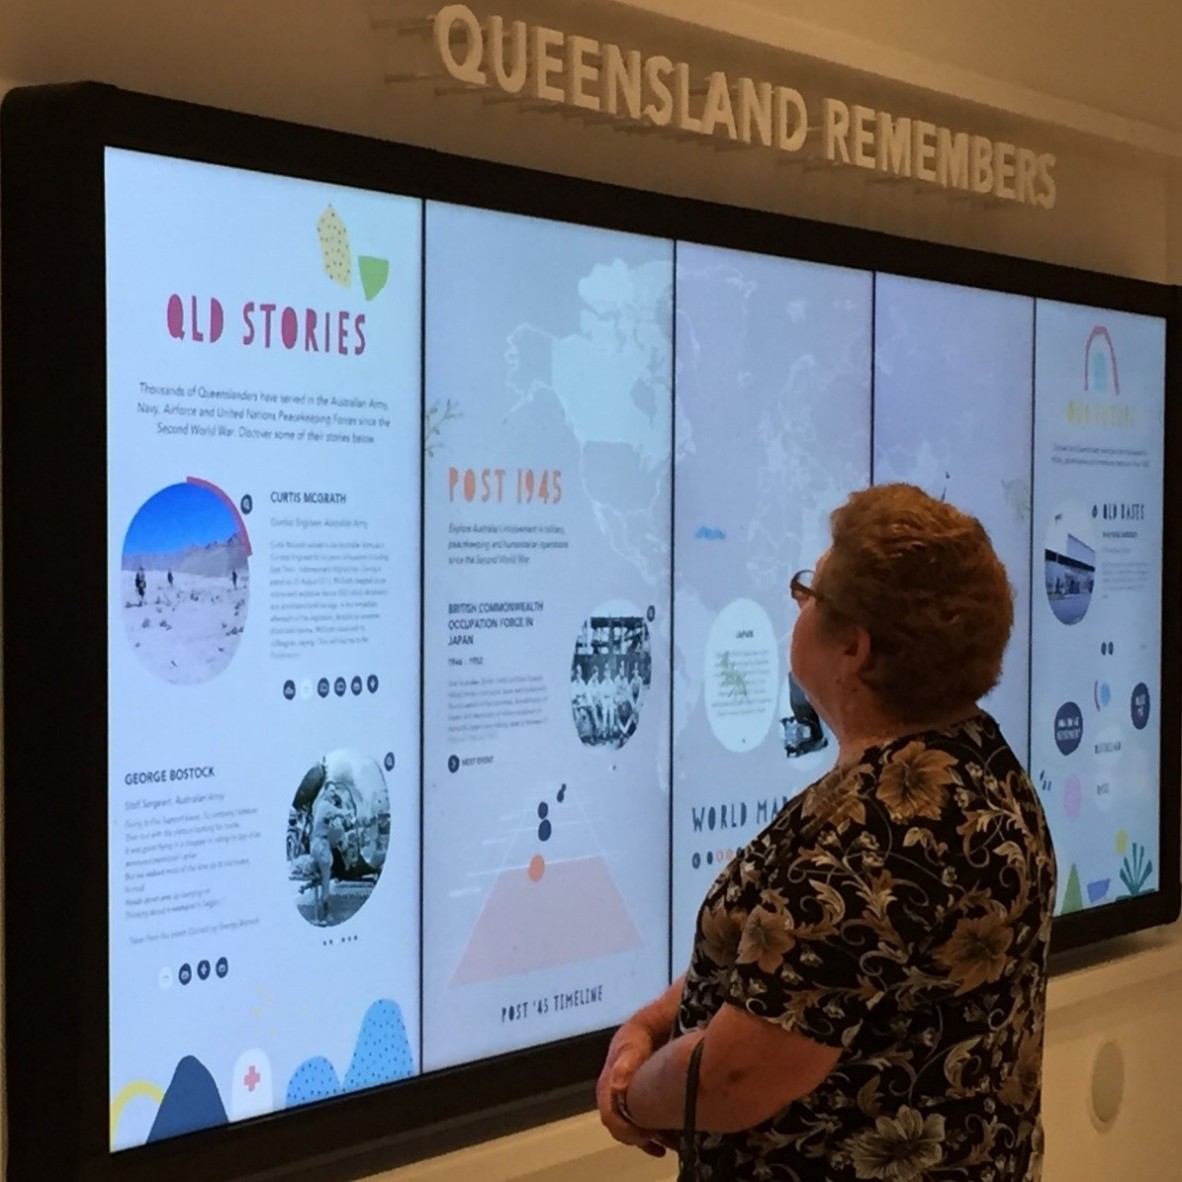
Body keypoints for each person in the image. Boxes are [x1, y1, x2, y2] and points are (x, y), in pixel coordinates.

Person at [598, 483, 1057, 1181]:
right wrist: (656, 1023)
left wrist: (633, 1098)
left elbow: (737, 1076)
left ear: (856, 649)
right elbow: (797, 965)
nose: (800, 607)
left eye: (810, 592)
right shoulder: (971, 762)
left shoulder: (881, 834)